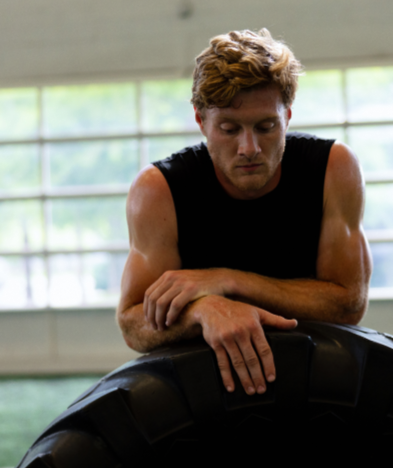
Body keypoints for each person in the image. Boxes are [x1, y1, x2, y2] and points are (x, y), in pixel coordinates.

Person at [116, 28, 372, 398]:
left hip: (316, 380)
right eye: (229, 129)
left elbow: (348, 304)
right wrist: (205, 310)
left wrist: (229, 281)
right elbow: (133, 323)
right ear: (201, 121)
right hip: (203, 390)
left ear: (287, 117)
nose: (248, 148)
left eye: (265, 127)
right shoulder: (159, 190)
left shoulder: (334, 168)